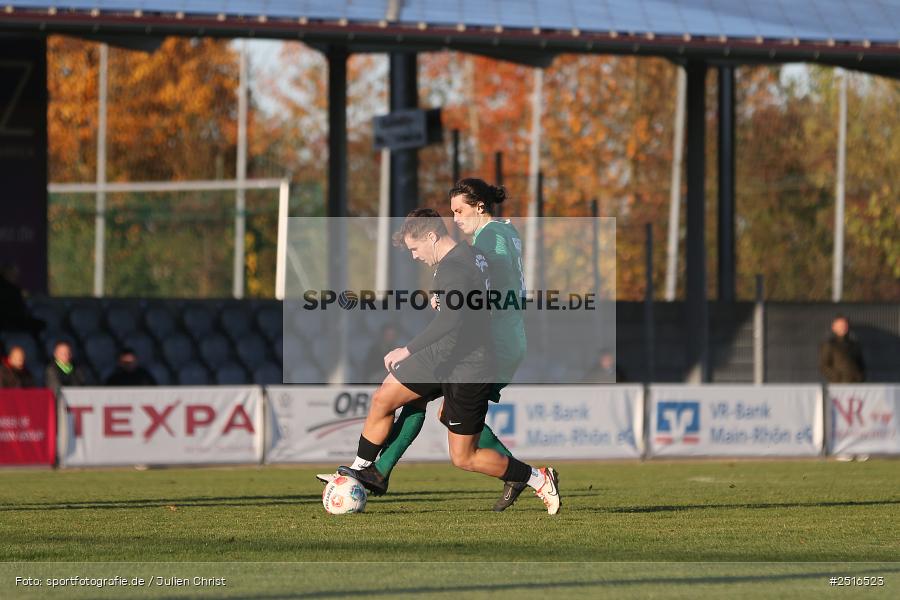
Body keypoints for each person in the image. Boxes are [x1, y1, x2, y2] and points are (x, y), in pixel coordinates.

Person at [320, 180, 534, 511]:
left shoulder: (490, 237)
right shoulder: (501, 233)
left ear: (480, 206)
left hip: (495, 338)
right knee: (424, 402)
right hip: (493, 336)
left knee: (453, 424)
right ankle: (374, 471)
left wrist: (459, 297)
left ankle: (523, 476)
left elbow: (493, 273)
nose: (456, 219)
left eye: (460, 211)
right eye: (452, 212)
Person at [819, 314, 865, 383]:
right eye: (840, 326)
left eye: (845, 325)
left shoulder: (854, 344)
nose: (843, 328)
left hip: (856, 384)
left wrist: (860, 377)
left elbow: (861, 364)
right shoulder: (829, 345)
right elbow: (824, 366)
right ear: (834, 327)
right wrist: (837, 378)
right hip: (838, 386)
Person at [0, 263, 44, 333]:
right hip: (10, 322)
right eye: (13, 274)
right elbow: (19, 310)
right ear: (7, 273)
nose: (15, 277)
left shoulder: (14, 289)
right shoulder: (13, 290)